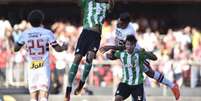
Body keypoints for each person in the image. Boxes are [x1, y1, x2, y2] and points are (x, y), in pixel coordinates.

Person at [100, 12, 180, 100]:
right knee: (137, 78)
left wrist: (110, 47)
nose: (119, 23)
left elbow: (125, 46)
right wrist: (113, 51)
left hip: (136, 55)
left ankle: (172, 86)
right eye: (119, 21)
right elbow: (118, 41)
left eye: (122, 23)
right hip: (126, 55)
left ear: (127, 23)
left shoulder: (129, 31)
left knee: (149, 73)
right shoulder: (118, 24)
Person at [64, 0, 114, 101]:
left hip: (96, 35)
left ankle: (81, 84)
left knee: (90, 58)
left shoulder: (105, 5)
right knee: (77, 58)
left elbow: (112, 6)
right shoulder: (87, 2)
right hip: (85, 33)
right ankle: (68, 89)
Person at [14, 10, 67, 101]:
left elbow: (16, 49)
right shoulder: (47, 33)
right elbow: (57, 49)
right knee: (44, 94)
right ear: (42, 20)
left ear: (29, 21)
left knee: (33, 96)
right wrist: (64, 47)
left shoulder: (25, 34)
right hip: (43, 67)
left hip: (32, 67)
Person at [106, 35, 156, 101]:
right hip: (125, 83)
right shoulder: (122, 53)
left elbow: (154, 58)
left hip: (137, 84)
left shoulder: (139, 54)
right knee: (117, 98)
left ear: (135, 45)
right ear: (125, 45)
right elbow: (109, 56)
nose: (129, 47)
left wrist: (145, 52)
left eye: (131, 45)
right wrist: (114, 50)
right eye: (127, 44)